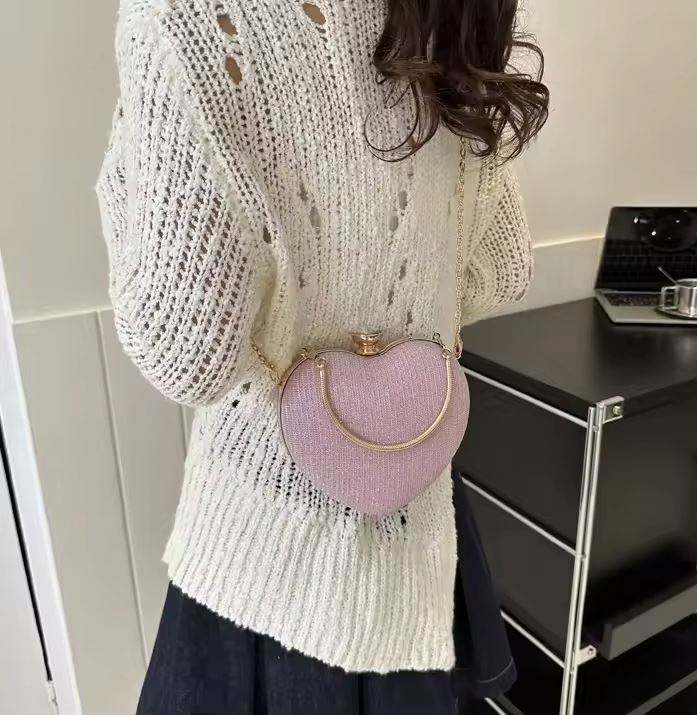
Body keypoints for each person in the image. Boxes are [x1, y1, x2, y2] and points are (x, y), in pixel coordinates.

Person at [96, 1, 548, 713]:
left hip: (268, 552)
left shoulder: (184, 19)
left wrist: (122, 179)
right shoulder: (446, 14)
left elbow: (185, 354)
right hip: (413, 519)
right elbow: (500, 268)